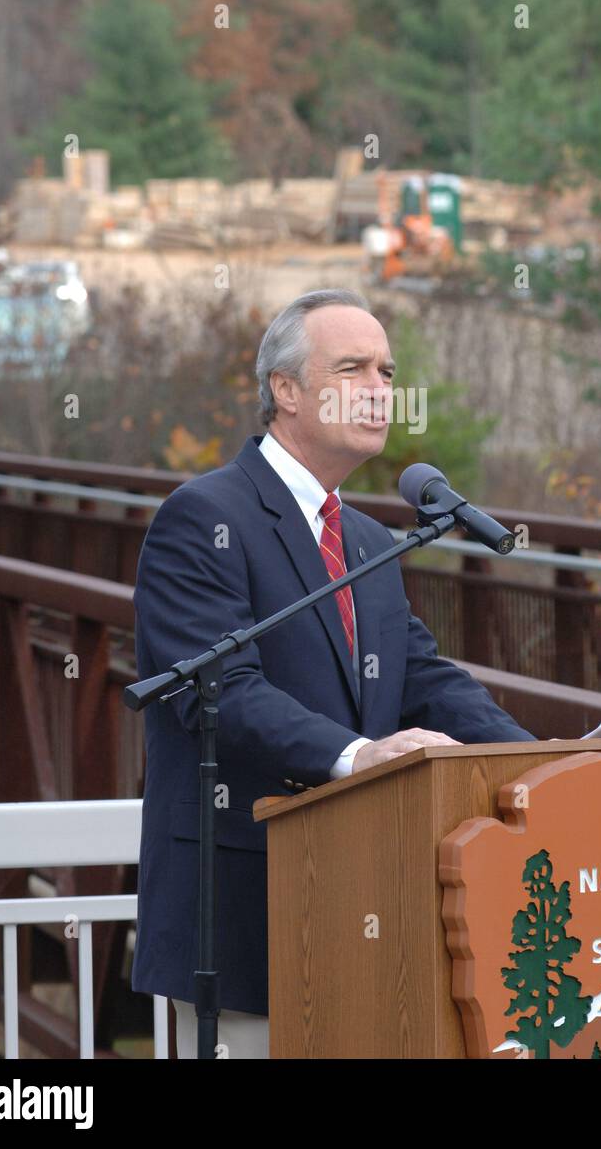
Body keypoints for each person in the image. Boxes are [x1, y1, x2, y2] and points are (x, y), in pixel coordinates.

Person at [131, 288, 536, 1057]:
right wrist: (358, 756)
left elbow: (422, 678)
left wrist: (537, 761)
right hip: (244, 909)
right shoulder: (203, 516)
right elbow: (221, 689)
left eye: (386, 370)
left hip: (364, 913)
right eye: (352, 368)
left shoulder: (366, 537)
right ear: (285, 390)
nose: (380, 387)